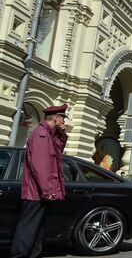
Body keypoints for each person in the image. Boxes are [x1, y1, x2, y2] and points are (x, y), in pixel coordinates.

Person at [9, 104, 68, 258]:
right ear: (56, 118)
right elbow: (40, 166)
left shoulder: (49, 134)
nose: (63, 120)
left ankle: (34, 255)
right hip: (37, 192)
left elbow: (58, 150)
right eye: (62, 117)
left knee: (37, 228)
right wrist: (47, 190)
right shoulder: (42, 134)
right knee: (28, 228)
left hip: (39, 191)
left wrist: (62, 135)